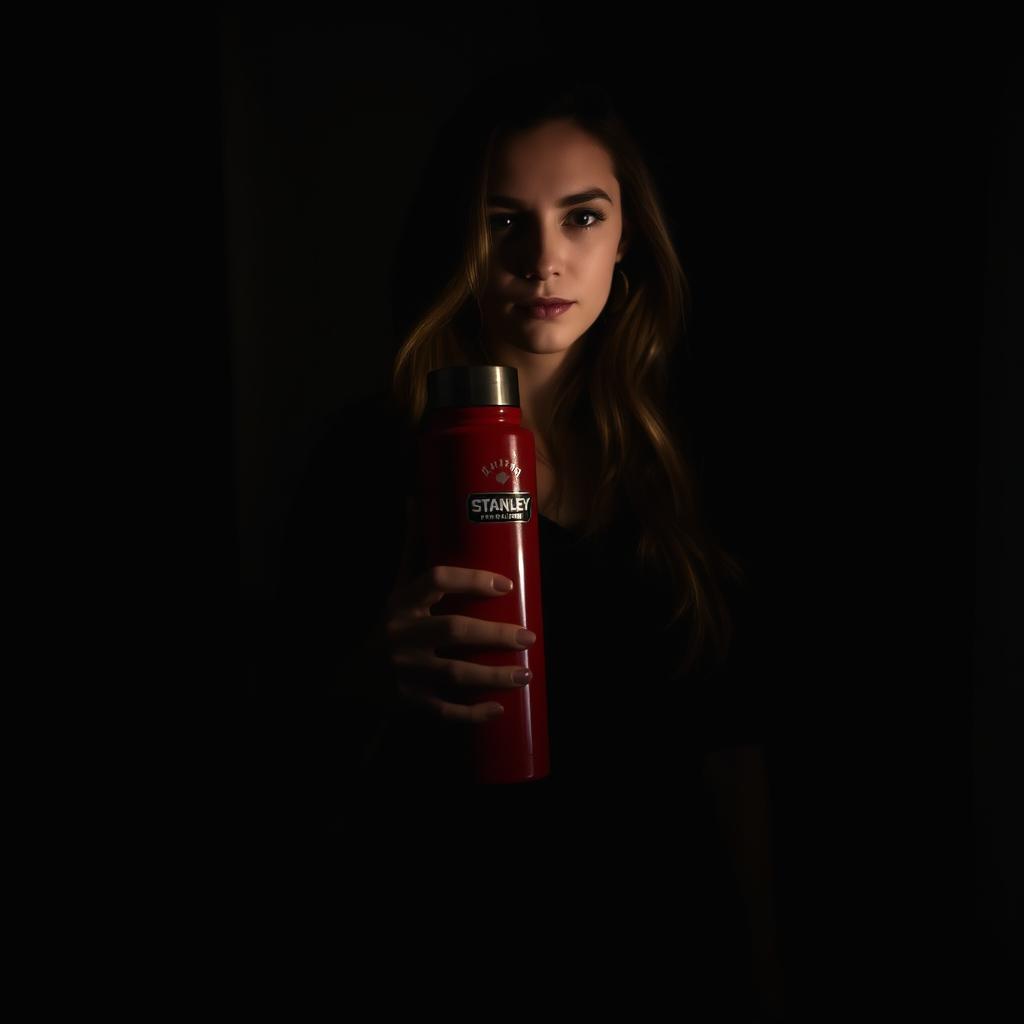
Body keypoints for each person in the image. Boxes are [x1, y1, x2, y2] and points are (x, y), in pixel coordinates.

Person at [273, 65, 788, 1021]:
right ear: (459, 235)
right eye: (504, 219)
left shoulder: (688, 463)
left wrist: (764, 970)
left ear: (629, 235)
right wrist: (364, 679)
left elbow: (734, 742)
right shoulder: (372, 459)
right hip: (455, 950)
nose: (543, 259)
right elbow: (279, 741)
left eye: (582, 217)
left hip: (669, 948)